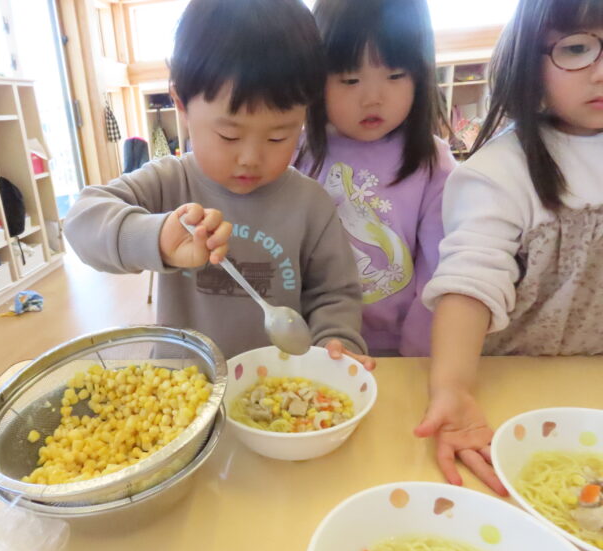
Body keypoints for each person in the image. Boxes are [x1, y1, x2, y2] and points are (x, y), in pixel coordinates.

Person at [64, 0, 372, 366]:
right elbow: (81, 221)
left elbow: (335, 295)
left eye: (278, 137)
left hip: (280, 384)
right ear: (181, 104)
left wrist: (335, 340)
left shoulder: (310, 204)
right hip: (181, 383)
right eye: (229, 135)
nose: (250, 158)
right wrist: (156, 238)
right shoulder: (168, 181)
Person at [416, 0, 603, 495]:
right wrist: (452, 388)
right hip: (508, 387)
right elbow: (470, 281)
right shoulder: (500, 172)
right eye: (578, 48)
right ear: (529, 63)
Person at [295, 0, 456, 357]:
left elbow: (439, 272)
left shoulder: (434, 163)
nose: (373, 99)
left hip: (401, 352)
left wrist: (417, 357)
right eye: (350, 80)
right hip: (314, 352)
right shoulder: (293, 152)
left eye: (395, 75)